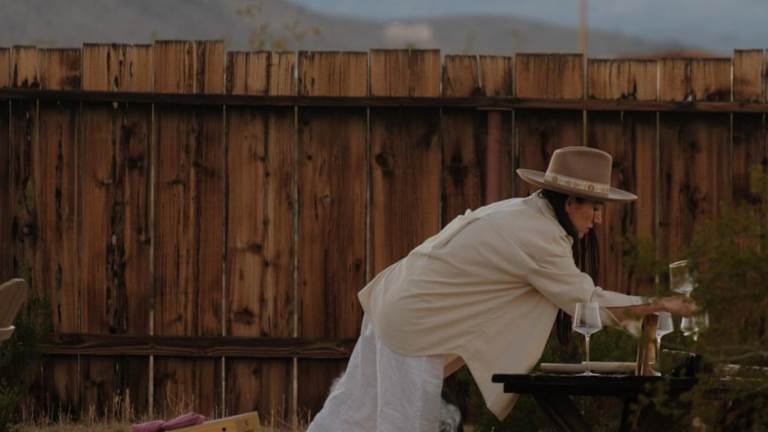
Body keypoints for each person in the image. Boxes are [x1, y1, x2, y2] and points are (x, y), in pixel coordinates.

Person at [307, 146, 696, 432]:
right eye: (593, 207)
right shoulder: (539, 234)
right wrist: (661, 305)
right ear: (569, 201)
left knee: (353, 414)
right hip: (415, 321)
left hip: (394, 302)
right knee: (401, 423)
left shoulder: (522, 211)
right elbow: (586, 302)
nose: (598, 219)